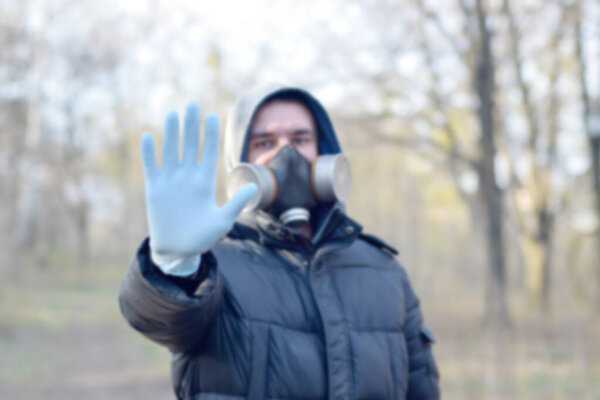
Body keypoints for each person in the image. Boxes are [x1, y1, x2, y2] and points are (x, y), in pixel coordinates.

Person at [119, 84, 440, 400]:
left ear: (324, 152)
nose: (286, 154)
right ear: (241, 163)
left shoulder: (384, 271)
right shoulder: (211, 268)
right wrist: (175, 266)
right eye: (264, 142)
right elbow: (158, 320)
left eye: (301, 139)